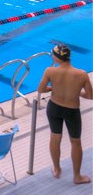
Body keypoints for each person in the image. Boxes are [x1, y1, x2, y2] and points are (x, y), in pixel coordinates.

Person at [37, 43, 93, 185]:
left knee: (55, 137)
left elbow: (41, 89)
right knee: (75, 142)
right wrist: (77, 92)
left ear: (56, 58)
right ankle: (77, 176)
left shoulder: (50, 71)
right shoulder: (81, 74)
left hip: (54, 108)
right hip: (72, 111)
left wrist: (53, 88)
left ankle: (56, 169)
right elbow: (90, 96)